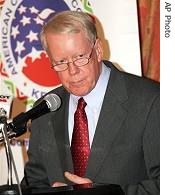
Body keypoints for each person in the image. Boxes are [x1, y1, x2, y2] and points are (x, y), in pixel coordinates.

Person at [22, 11, 160, 195]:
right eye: (61, 62)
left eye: (80, 57)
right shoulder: (44, 110)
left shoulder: (150, 100)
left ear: (98, 50)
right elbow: (34, 184)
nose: (72, 71)